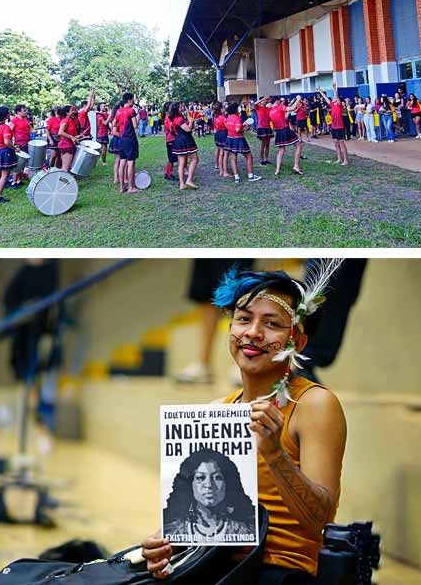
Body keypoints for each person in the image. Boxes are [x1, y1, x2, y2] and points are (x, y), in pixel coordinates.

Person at [142, 265, 347, 584]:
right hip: (211, 566)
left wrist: (275, 452)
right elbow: (192, 519)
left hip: (279, 572)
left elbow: (319, 518)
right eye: (243, 319)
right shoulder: (216, 411)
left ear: (298, 343)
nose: (253, 333)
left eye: (272, 324)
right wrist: (165, 545)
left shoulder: (314, 405)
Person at [162, 447, 257, 542]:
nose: (209, 485)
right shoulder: (171, 531)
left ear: (228, 483)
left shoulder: (248, 531)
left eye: (217, 477)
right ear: (189, 484)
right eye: (200, 478)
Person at [222, 102, 261, 183]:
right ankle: (250, 176)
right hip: (238, 139)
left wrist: (241, 126)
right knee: (249, 156)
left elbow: (229, 127)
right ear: (235, 109)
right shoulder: (237, 118)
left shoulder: (227, 117)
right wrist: (244, 129)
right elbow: (237, 130)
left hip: (230, 138)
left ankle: (236, 177)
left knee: (233, 158)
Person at [113, 93, 142, 194]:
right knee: (131, 163)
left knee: (122, 163)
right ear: (129, 100)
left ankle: (122, 187)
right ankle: (131, 187)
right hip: (130, 138)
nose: (133, 102)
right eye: (132, 100)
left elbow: (113, 124)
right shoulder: (131, 111)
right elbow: (135, 126)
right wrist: (138, 117)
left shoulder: (118, 111)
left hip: (122, 139)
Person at [269, 96, 304, 175]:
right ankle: (296, 166)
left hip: (278, 131)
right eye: (280, 101)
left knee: (281, 150)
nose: (281, 102)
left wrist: (288, 112)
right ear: (277, 101)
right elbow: (291, 108)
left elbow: (283, 117)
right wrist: (298, 100)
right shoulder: (280, 107)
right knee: (298, 145)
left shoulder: (270, 111)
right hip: (285, 129)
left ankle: (277, 170)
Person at [168, 103, 199, 190]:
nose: (183, 107)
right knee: (194, 159)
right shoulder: (179, 119)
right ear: (177, 109)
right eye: (181, 106)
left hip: (180, 140)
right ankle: (189, 180)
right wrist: (191, 121)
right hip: (186, 140)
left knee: (181, 164)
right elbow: (188, 129)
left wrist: (191, 122)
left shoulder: (178, 118)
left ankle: (182, 184)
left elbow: (190, 128)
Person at [317, 89, 348, 166]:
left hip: (339, 126)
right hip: (334, 126)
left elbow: (337, 97)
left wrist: (334, 89)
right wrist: (320, 91)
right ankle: (339, 159)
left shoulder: (339, 105)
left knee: (341, 143)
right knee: (336, 143)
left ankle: (345, 160)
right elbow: (325, 98)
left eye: (334, 97)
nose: (333, 98)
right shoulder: (332, 105)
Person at [9, 104, 31, 187]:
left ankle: (20, 180)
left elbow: (29, 128)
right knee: (19, 164)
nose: (26, 112)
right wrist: (13, 145)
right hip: (19, 144)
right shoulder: (14, 121)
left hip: (27, 143)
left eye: (26, 110)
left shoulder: (26, 119)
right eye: (24, 110)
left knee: (24, 162)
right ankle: (14, 182)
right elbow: (8, 133)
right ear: (18, 112)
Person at [254, 97, 274, 165]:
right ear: (261, 101)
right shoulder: (258, 107)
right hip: (261, 128)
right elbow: (255, 103)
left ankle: (266, 159)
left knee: (267, 145)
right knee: (263, 144)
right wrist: (263, 99)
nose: (265, 101)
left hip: (268, 128)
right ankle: (261, 159)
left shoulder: (268, 108)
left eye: (265, 101)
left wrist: (269, 101)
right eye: (263, 101)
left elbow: (273, 106)